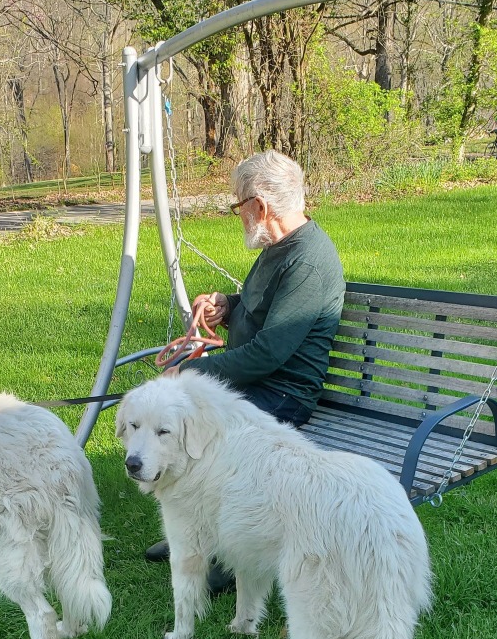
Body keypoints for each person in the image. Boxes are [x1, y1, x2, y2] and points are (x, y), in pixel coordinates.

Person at [145, 149, 346, 570]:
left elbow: (268, 354)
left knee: (204, 430)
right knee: (180, 418)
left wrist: (190, 369)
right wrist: (228, 305)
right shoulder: (279, 245)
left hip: (283, 394)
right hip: (258, 384)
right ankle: (198, 534)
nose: (238, 215)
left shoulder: (307, 260)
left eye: (239, 206)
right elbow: (265, 308)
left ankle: (227, 553)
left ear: (260, 206)